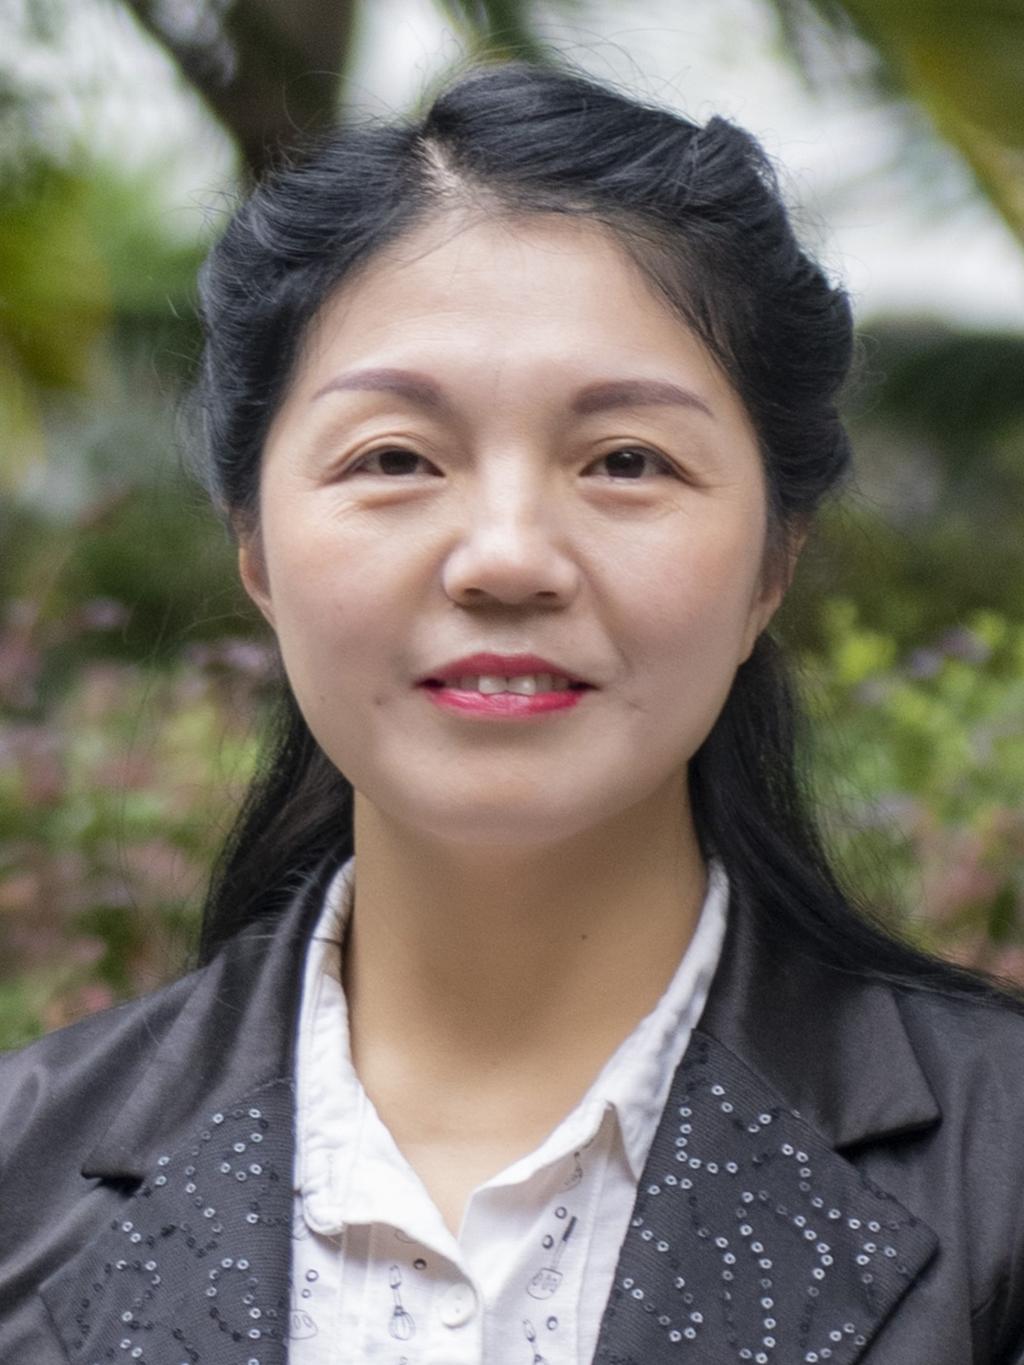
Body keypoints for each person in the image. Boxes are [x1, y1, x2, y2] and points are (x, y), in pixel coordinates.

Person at [1, 60, 1022, 1365]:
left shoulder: (1001, 1169)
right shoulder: (21, 1180)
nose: (505, 558)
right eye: (395, 458)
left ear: (775, 558)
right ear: (253, 545)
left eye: (626, 461)